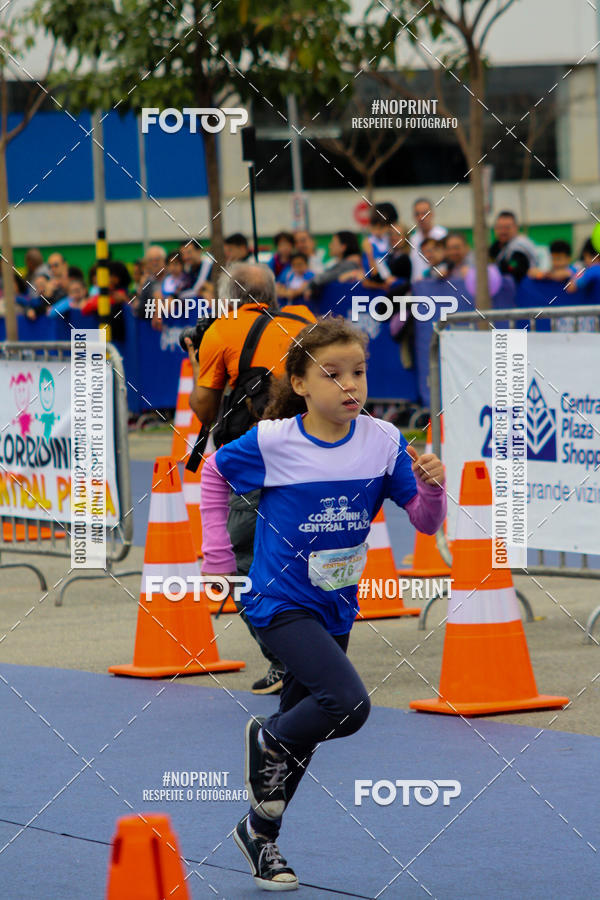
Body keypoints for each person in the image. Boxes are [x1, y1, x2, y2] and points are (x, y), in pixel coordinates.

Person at [199, 316, 446, 890]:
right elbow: (213, 474)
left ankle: (261, 836)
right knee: (347, 705)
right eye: (332, 375)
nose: (349, 385)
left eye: (358, 372)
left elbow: (427, 523)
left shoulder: (383, 440)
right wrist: (216, 547)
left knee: (303, 729)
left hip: (337, 602)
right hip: (279, 600)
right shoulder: (274, 442)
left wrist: (432, 486)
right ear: (302, 384)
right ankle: (266, 736)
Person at [188, 263, 316, 695]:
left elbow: (205, 410)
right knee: (306, 555)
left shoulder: (222, 332)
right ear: (272, 293)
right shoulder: (306, 322)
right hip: (314, 458)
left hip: (254, 461)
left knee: (245, 560)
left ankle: (286, 661)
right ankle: (321, 651)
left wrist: (198, 359)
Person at [489, 211, 539, 283]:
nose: (503, 231)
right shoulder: (497, 246)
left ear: (516, 228)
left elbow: (516, 270)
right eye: (499, 227)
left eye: (507, 227)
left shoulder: (520, 246)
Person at [410, 197, 448, 281]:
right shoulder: (413, 239)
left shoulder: (443, 235)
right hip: (418, 287)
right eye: (417, 214)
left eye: (424, 213)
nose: (421, 217)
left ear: (432, 214)